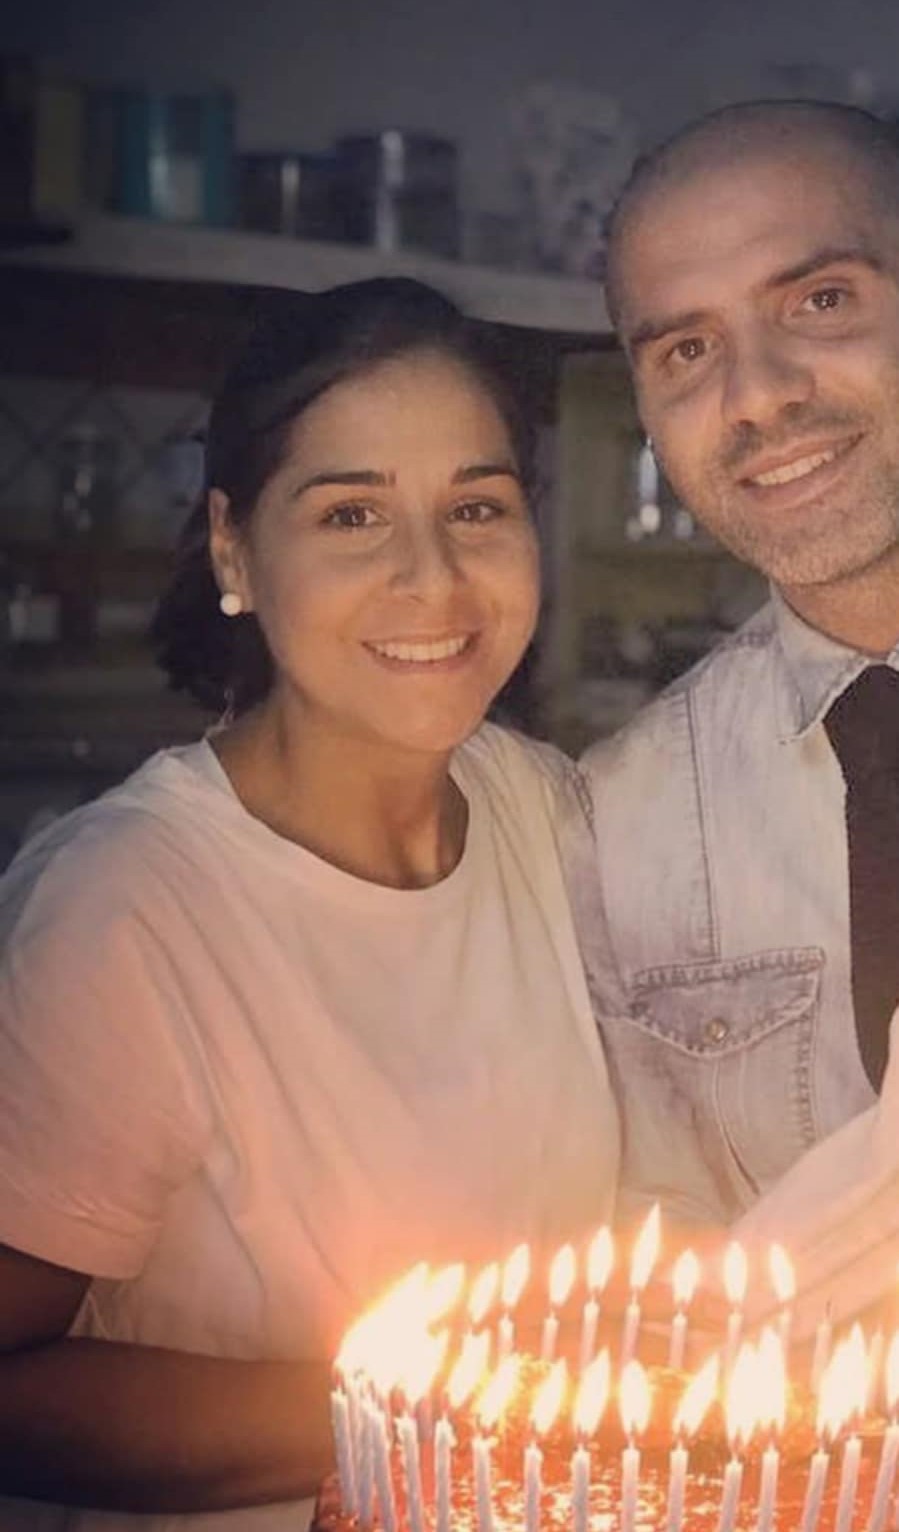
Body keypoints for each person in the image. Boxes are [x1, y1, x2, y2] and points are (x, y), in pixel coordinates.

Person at [0, 277, 619, 1529]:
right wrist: (441, 1419)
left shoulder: (543, 810)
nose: (431, 576)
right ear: (234, 547)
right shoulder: (128, 910)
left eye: (475, 506)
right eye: (351, 513)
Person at [572, 99, 899, 1334]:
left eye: (819, 300)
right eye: (685, 351)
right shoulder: (621, 821)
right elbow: (665, 1279)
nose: (755, 395)